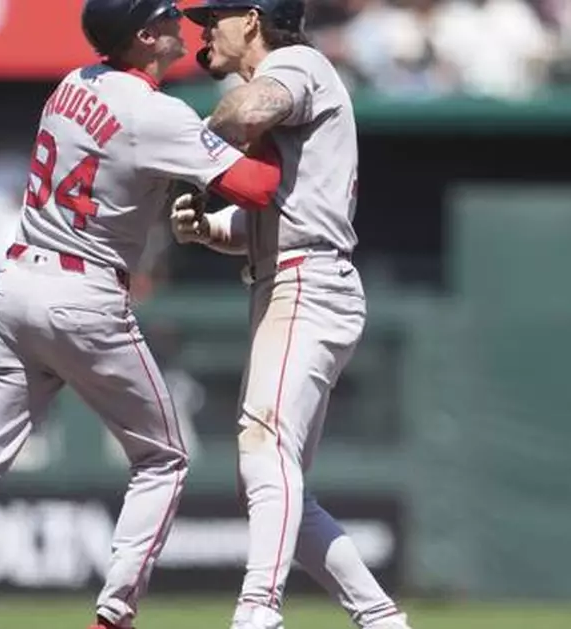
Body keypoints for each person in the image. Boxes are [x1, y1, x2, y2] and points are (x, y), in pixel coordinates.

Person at [0, 2, 281, 629]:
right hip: (84, 294)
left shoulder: (70, 84)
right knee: (164, 458)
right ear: (143, 36)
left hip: (17, 282)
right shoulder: (155, 111)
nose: (179, 25)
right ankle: (113, 617)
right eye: (167, 17)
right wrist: (281, 122)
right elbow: (258, 189)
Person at [171, 2, 413, 628]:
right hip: (291, 276)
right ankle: (382, 620)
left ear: (251, 19)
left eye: (215, 16)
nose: (204, 29)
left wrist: (190, 146)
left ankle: (257, 612)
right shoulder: (283, 76)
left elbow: (246, 112)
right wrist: (210, 228)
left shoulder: (296, 61)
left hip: (308, 282)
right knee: (277, 484)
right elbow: (272, 220)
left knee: (264, 447)